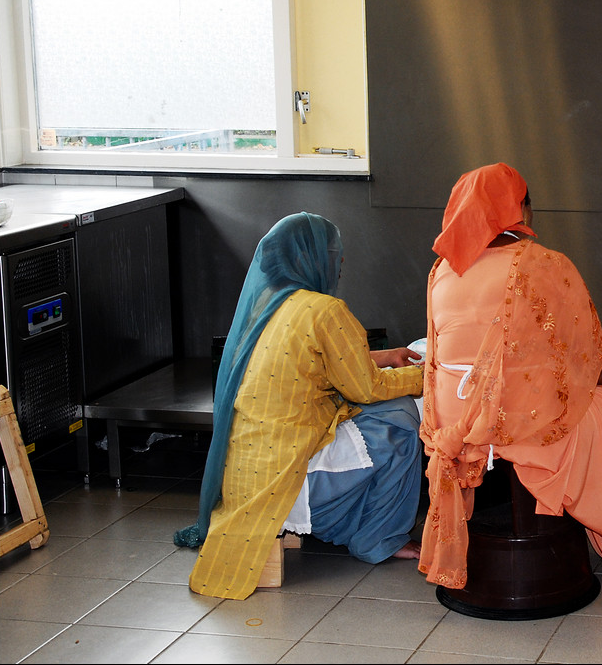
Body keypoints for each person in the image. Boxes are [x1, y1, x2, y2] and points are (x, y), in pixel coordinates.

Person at [418, 163, 602, 589]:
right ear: (522, 210)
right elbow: (596, 366)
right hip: (517, 426)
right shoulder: (541, 264)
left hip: (451, 425)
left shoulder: (441, 272)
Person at [174, 212, 426, 600]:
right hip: (287, 480)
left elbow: (316, 363)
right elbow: (366, 388)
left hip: (249, 475)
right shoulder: (325, 310)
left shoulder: (269, 305)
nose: (338, 269)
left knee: (384, 414)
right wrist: (430, 377)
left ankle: (357, 523)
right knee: (402, 425)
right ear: (310, 260)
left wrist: (383, 355)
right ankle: (379, 539)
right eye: (334, 260)